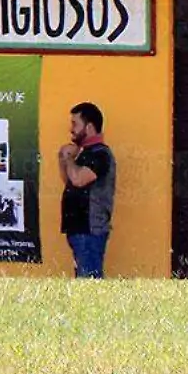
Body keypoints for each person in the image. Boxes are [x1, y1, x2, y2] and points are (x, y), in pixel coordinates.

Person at [60, 102, 117, 279]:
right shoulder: (86, 153)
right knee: (83, 279)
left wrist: (69, 158)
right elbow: (68, 180)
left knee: (89, 281)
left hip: (90, 229)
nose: (71, 129)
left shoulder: (100, 154)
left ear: (89, 126)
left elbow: (78, 180)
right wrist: (62, 158)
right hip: (79, 229)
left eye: (75, 124)